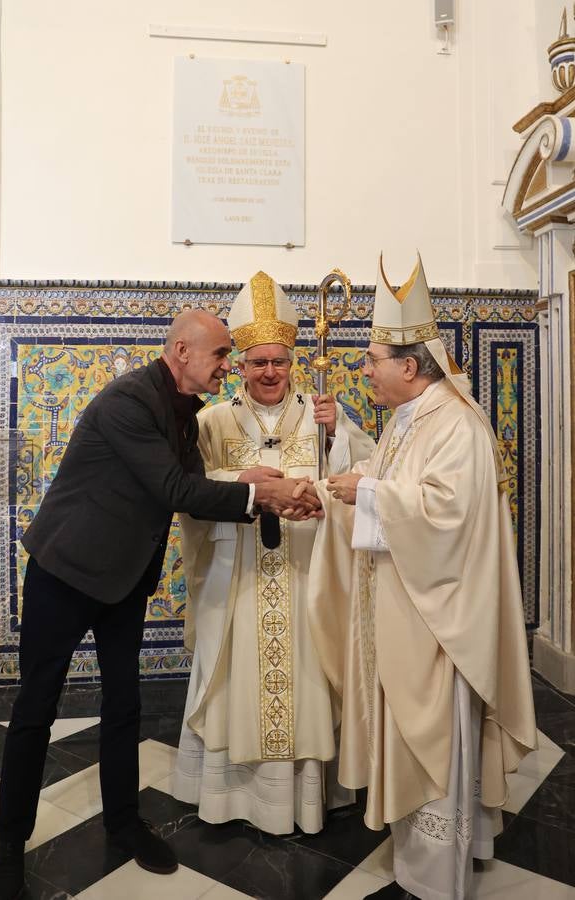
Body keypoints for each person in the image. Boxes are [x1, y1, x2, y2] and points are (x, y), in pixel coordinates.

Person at [0, 308, 320, 900]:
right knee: (36, 708)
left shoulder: (182, 410)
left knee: (124, 705)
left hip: (122, 579)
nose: (228, 367)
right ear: (183, 351)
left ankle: (123, 823)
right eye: (222, 355)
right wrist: (257, 491)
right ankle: (11, 842)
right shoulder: (129, 402)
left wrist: (260, 491)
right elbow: (174, 489)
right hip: (65, 572)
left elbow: (191, 494)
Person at [301, 255, 537, 899]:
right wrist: (337, 486)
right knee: (412, 731)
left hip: (440, 619)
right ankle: (429, 847)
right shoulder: (410, 419)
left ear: (409, 366)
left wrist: (368, 491)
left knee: (437, 733)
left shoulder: (456, 423)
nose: (365, 369)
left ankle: (439, 869)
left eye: (373, 359)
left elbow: (445, 514)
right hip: (407, 609)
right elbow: (383, 477)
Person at [173, 271, 375, 834]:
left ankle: (307, 798)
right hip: (237, 579)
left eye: (279, 362)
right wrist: (247, 482)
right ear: (237, 364)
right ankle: (234, 798)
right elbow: (190, 488)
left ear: (293, 363)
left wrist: (336, 441)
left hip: (305, 574)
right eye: (257, 362)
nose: (269, 372)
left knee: (310, 678)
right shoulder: (211, 420)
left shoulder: (320, 414)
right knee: (235, 676)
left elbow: (365, 476)